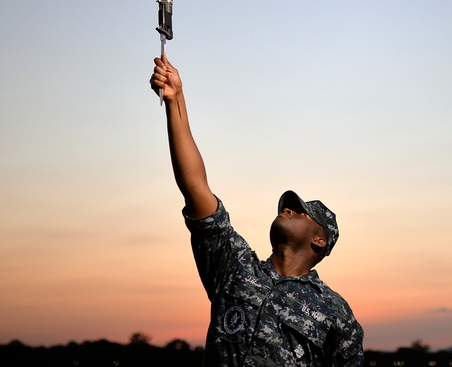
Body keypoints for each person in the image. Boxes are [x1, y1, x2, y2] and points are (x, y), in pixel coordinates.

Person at [150, 55, 364, 366]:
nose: (288, 210)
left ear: (320, 240)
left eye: (300, 211)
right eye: (288, 207)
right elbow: (195, 187)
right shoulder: (235, 267)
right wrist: (176, 100)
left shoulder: (336, 314)